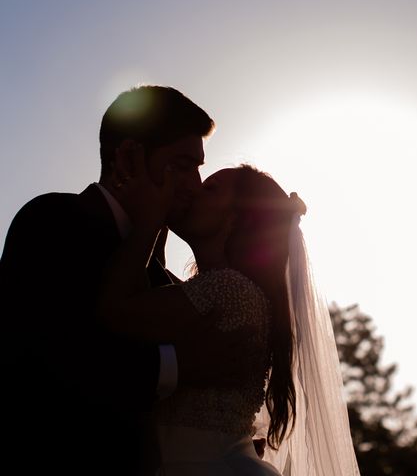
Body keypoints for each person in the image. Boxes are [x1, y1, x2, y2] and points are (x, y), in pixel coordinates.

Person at [0, 85, 249, 475]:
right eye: (183, 165)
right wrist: (177, 366)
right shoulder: (52, 219)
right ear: (128, 158)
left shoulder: (163, 276)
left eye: (199, 168)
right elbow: (37, 358)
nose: (195, 185)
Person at [96, 156, 361, 475]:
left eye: (211, 188)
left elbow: (114, 311)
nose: (193, 190)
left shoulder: (230, 290)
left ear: (237, 219)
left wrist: (149, 220)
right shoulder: (223, 289)